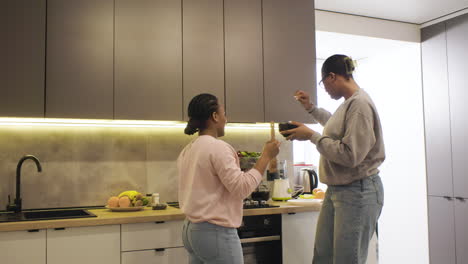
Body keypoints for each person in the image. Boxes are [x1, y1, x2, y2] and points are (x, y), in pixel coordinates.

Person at [281, 54, 385, 264]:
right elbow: (334, 126)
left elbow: (350, 155)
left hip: (358, 191)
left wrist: (311, 136)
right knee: (323, 257)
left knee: (347, 260)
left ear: (332, 77)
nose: (325, 89)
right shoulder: (349, 104)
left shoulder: (360, 105)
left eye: (323, 83)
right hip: (339, 191)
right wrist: (310, 108)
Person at [178, 93, 281, 264]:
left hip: (191, 231)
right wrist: (266, 157)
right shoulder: (218, 148)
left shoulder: (188, 150)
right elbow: (242, 188)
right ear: (215, 116)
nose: (226, 119)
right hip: (215, 232)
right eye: (224, 114)